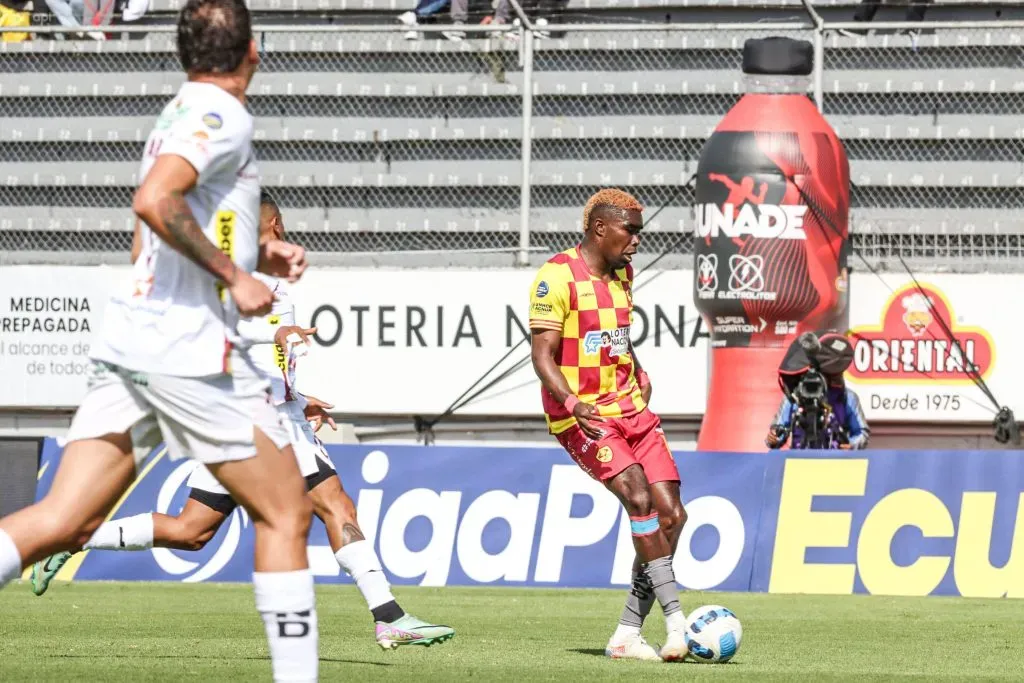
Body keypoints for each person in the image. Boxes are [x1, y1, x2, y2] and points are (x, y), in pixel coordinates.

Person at [0, 1, 321, 681]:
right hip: (186, 348)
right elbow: (155, 200)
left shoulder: (181, 109)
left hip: (133, 339)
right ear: (252, 51)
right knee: (287, 510)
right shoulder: (222, 114)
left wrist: (259, 257)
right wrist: (236, 275)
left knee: (62, 519)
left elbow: (168, 221)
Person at [31, 193, 456, 651]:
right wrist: (278, 340)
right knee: (337, 506)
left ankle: (73, 537)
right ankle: (388, 616)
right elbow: (241, 336)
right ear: (275, 224)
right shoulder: (251, 276)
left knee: (192, 531)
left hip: (241, 415)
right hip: (265, 422)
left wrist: (297, 393)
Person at [528, 188, 689, 662]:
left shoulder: (624, 274)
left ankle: (625, 634)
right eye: (631, 230)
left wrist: (637, 368)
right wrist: (572, 402)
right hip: (584, 416)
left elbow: (616, 339)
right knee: (637, 497)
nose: (637, 240)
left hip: (633, 409)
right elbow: (542, 357)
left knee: (672, 517)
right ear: (600, 229)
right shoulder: (556, 277)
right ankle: (677, 621)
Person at [766, 374, 871, 450]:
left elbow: (862, 433)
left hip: (836, 466)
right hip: (798, 466)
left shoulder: (847, 397)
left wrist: (852, 446)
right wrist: (774, 438)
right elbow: (776, 433)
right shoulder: (793, 397)